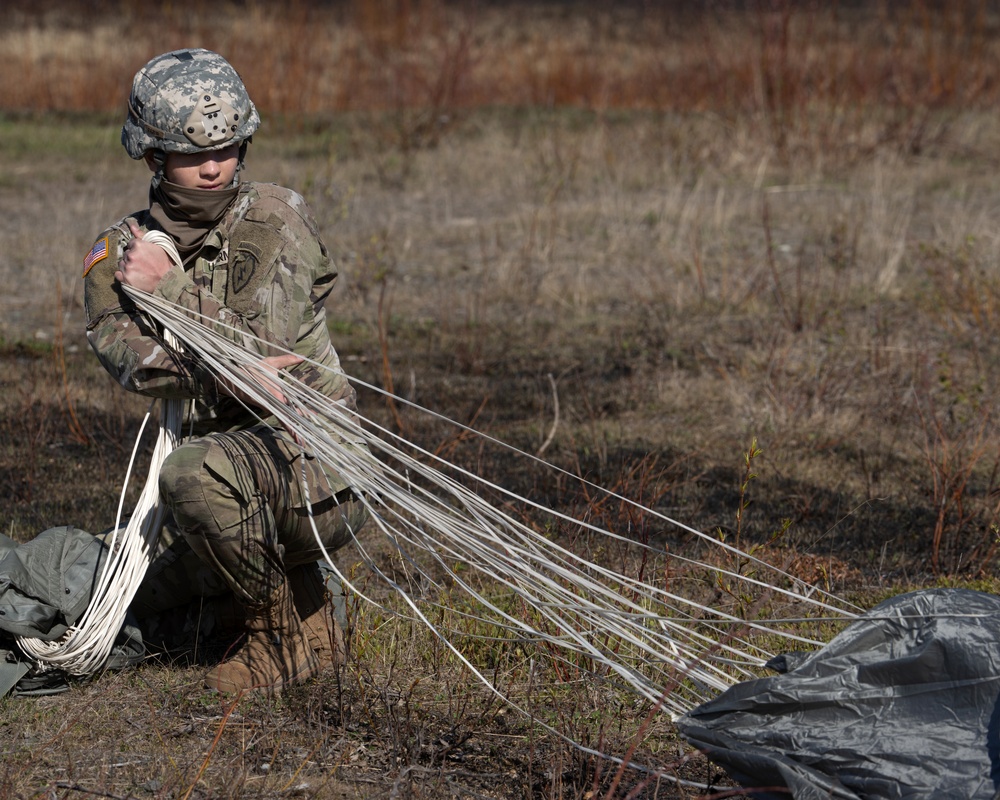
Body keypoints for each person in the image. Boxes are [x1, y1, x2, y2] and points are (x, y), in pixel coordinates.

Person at [82, 49, 369, 694]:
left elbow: (259, 352)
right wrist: (215, 364)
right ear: (152, 157)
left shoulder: (274, 220)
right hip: (227, 472)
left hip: (317, 470)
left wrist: (169, 293)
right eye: (190, 152)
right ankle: (302, 609)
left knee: (190, 474)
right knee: (118, 586)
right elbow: (128, 358)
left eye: (228, 148)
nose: (213, 167)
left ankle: (281, 637)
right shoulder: (116, 252)